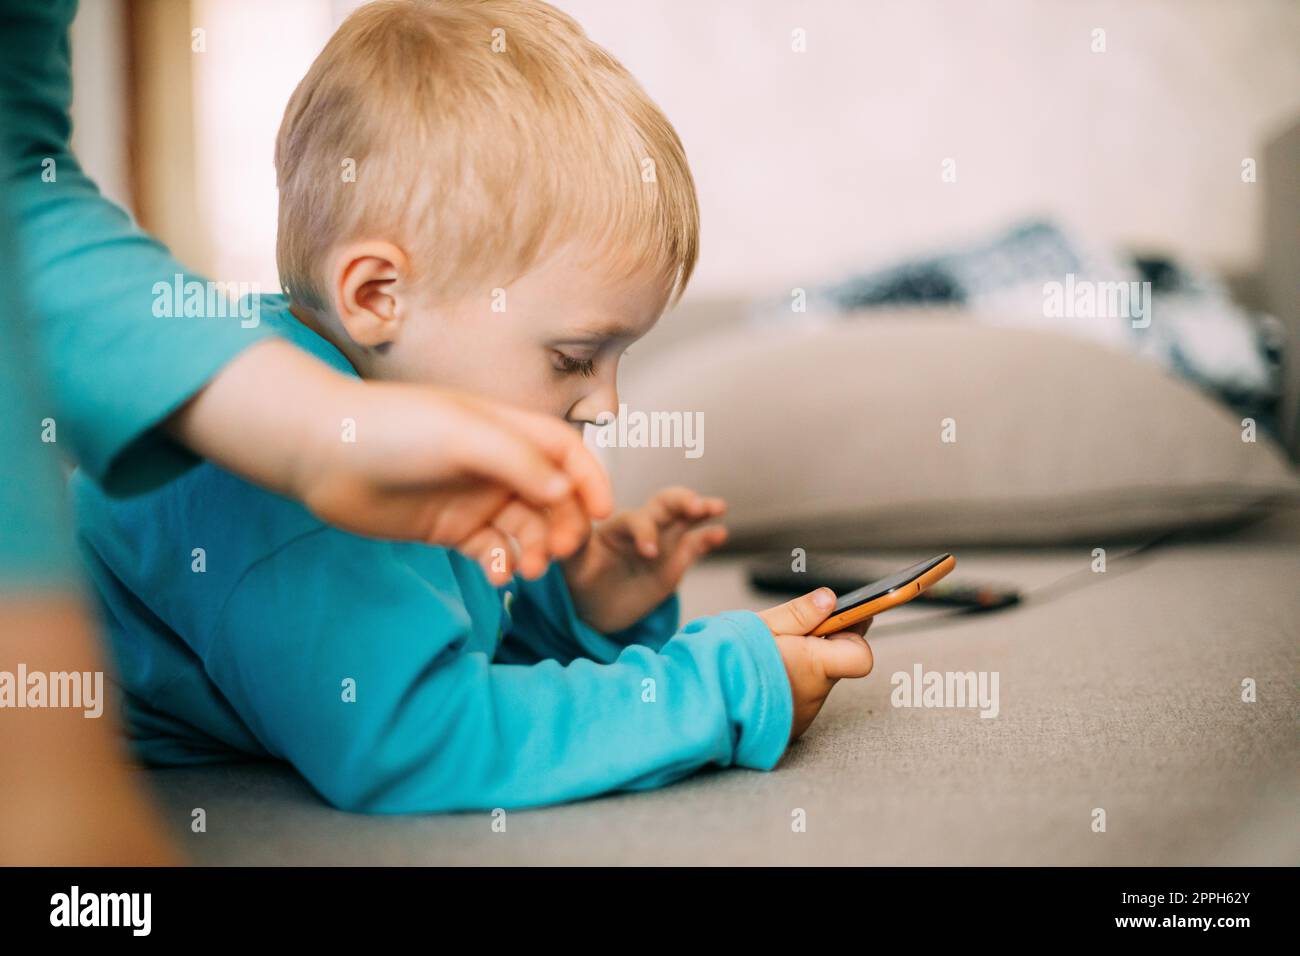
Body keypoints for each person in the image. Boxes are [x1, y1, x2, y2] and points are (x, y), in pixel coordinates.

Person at [72, 0, 874, 815]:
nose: (607, 404)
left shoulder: (384, 401)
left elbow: (439, 631)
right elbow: (415, 737)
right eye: (573, 358)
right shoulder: (284, 487)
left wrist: (576, 606)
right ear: (378, 296)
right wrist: (713, 693)